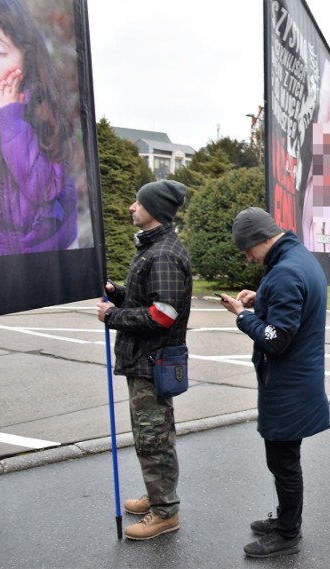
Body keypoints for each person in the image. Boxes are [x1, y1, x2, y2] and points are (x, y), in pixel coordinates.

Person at [217, 207, 330, 558]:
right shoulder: (298, 259)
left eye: (248, 249)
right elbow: (289, 309)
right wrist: (261, 297)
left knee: (283, 463)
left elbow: (276, 338)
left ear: (264, 239)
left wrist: (243, 315)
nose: (248, 257)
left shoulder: (285, 272)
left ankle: (287, 533)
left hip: (288, 386)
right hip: (297, 380)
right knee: (284, 461)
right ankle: (285, 518)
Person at [96, 180, 191, 540]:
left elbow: (162, 315)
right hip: (145, 360)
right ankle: (157, 498)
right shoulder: (153, 249)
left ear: (156, 209)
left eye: (139, 202)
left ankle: (165, 512)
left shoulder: (164, 253)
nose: (131, 207)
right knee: (150, 435)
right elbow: (147, 299)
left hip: (152, 362)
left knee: (153, 438)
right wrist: (117, 294)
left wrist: (112, 316)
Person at [0, 1, 77, 255]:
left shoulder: (42, 111)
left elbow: (44, 188)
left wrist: (10, 120)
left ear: (28, 59)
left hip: (30, 259)